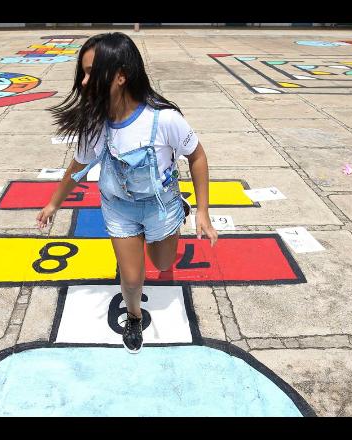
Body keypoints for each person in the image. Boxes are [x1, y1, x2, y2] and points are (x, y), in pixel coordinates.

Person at [37, 32, 218, 354]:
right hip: (119, 208)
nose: (83, 82)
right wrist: (54, 203)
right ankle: (133, 317)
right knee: (133, 279)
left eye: (91, 72)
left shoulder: (165, 119)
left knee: (163, 263)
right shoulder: (95, 125)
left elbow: (197, 156)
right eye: (83, 73)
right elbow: (78, 166)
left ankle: (181, 208)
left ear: (120, 76)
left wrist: (203, 211)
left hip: (160, 205)